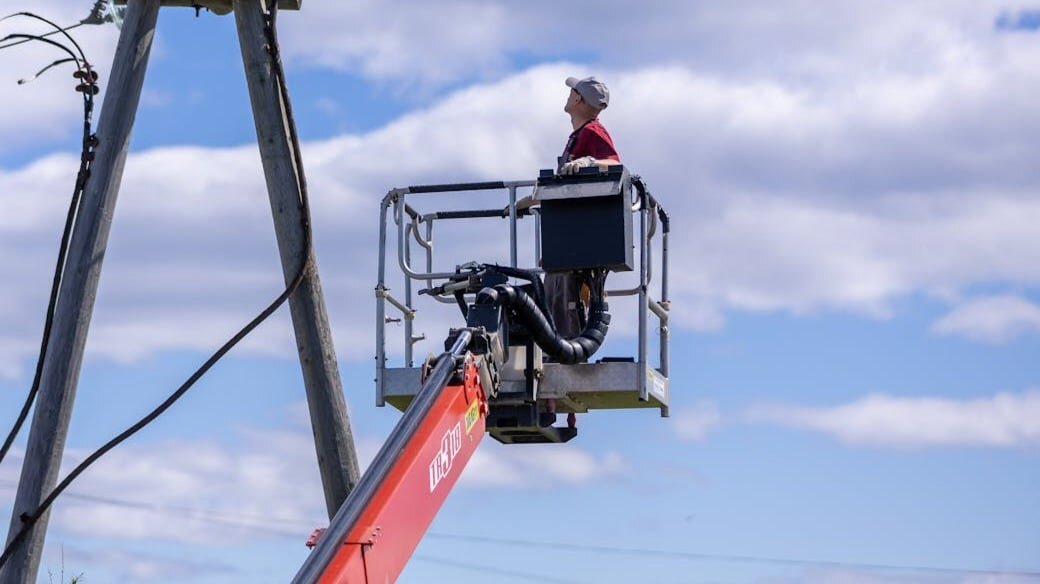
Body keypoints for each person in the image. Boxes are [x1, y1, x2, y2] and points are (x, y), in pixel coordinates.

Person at [546, 76, 621, 339]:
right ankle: (559, 349)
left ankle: (567, 352)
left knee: (566, 307)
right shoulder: (579, 135)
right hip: (566, 242)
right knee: (554, 302)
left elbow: (616, 164)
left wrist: (590, 162)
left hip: (577, 245)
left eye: (572, 92)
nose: (568, 95)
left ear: (578, 98)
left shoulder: (592, 131)